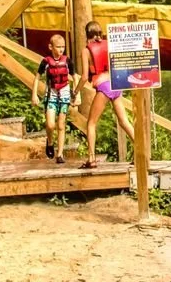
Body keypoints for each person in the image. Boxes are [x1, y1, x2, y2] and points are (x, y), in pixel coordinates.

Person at [80, 21, 130, 170]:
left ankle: (91, 159)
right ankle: (143, 151)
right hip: (115, 84)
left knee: (91, 123)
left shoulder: (86, 51)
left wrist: (75, 92)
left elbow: (83, 77)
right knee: (124, 121)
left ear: (87, 34)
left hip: (104, 87)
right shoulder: (109, 45)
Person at [33, 33, 72, 165]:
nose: (61, 49)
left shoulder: (67, 61)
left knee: (61, 125)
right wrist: (34, 94)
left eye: (63, 47)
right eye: (58, 47)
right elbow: (37, 76)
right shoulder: (46, 62)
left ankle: (60, 154)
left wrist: (77, 95)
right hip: (51, 94)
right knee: (50, 124)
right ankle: (50, 142)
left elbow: (75, 76)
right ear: (51, 47)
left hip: (65, 94)